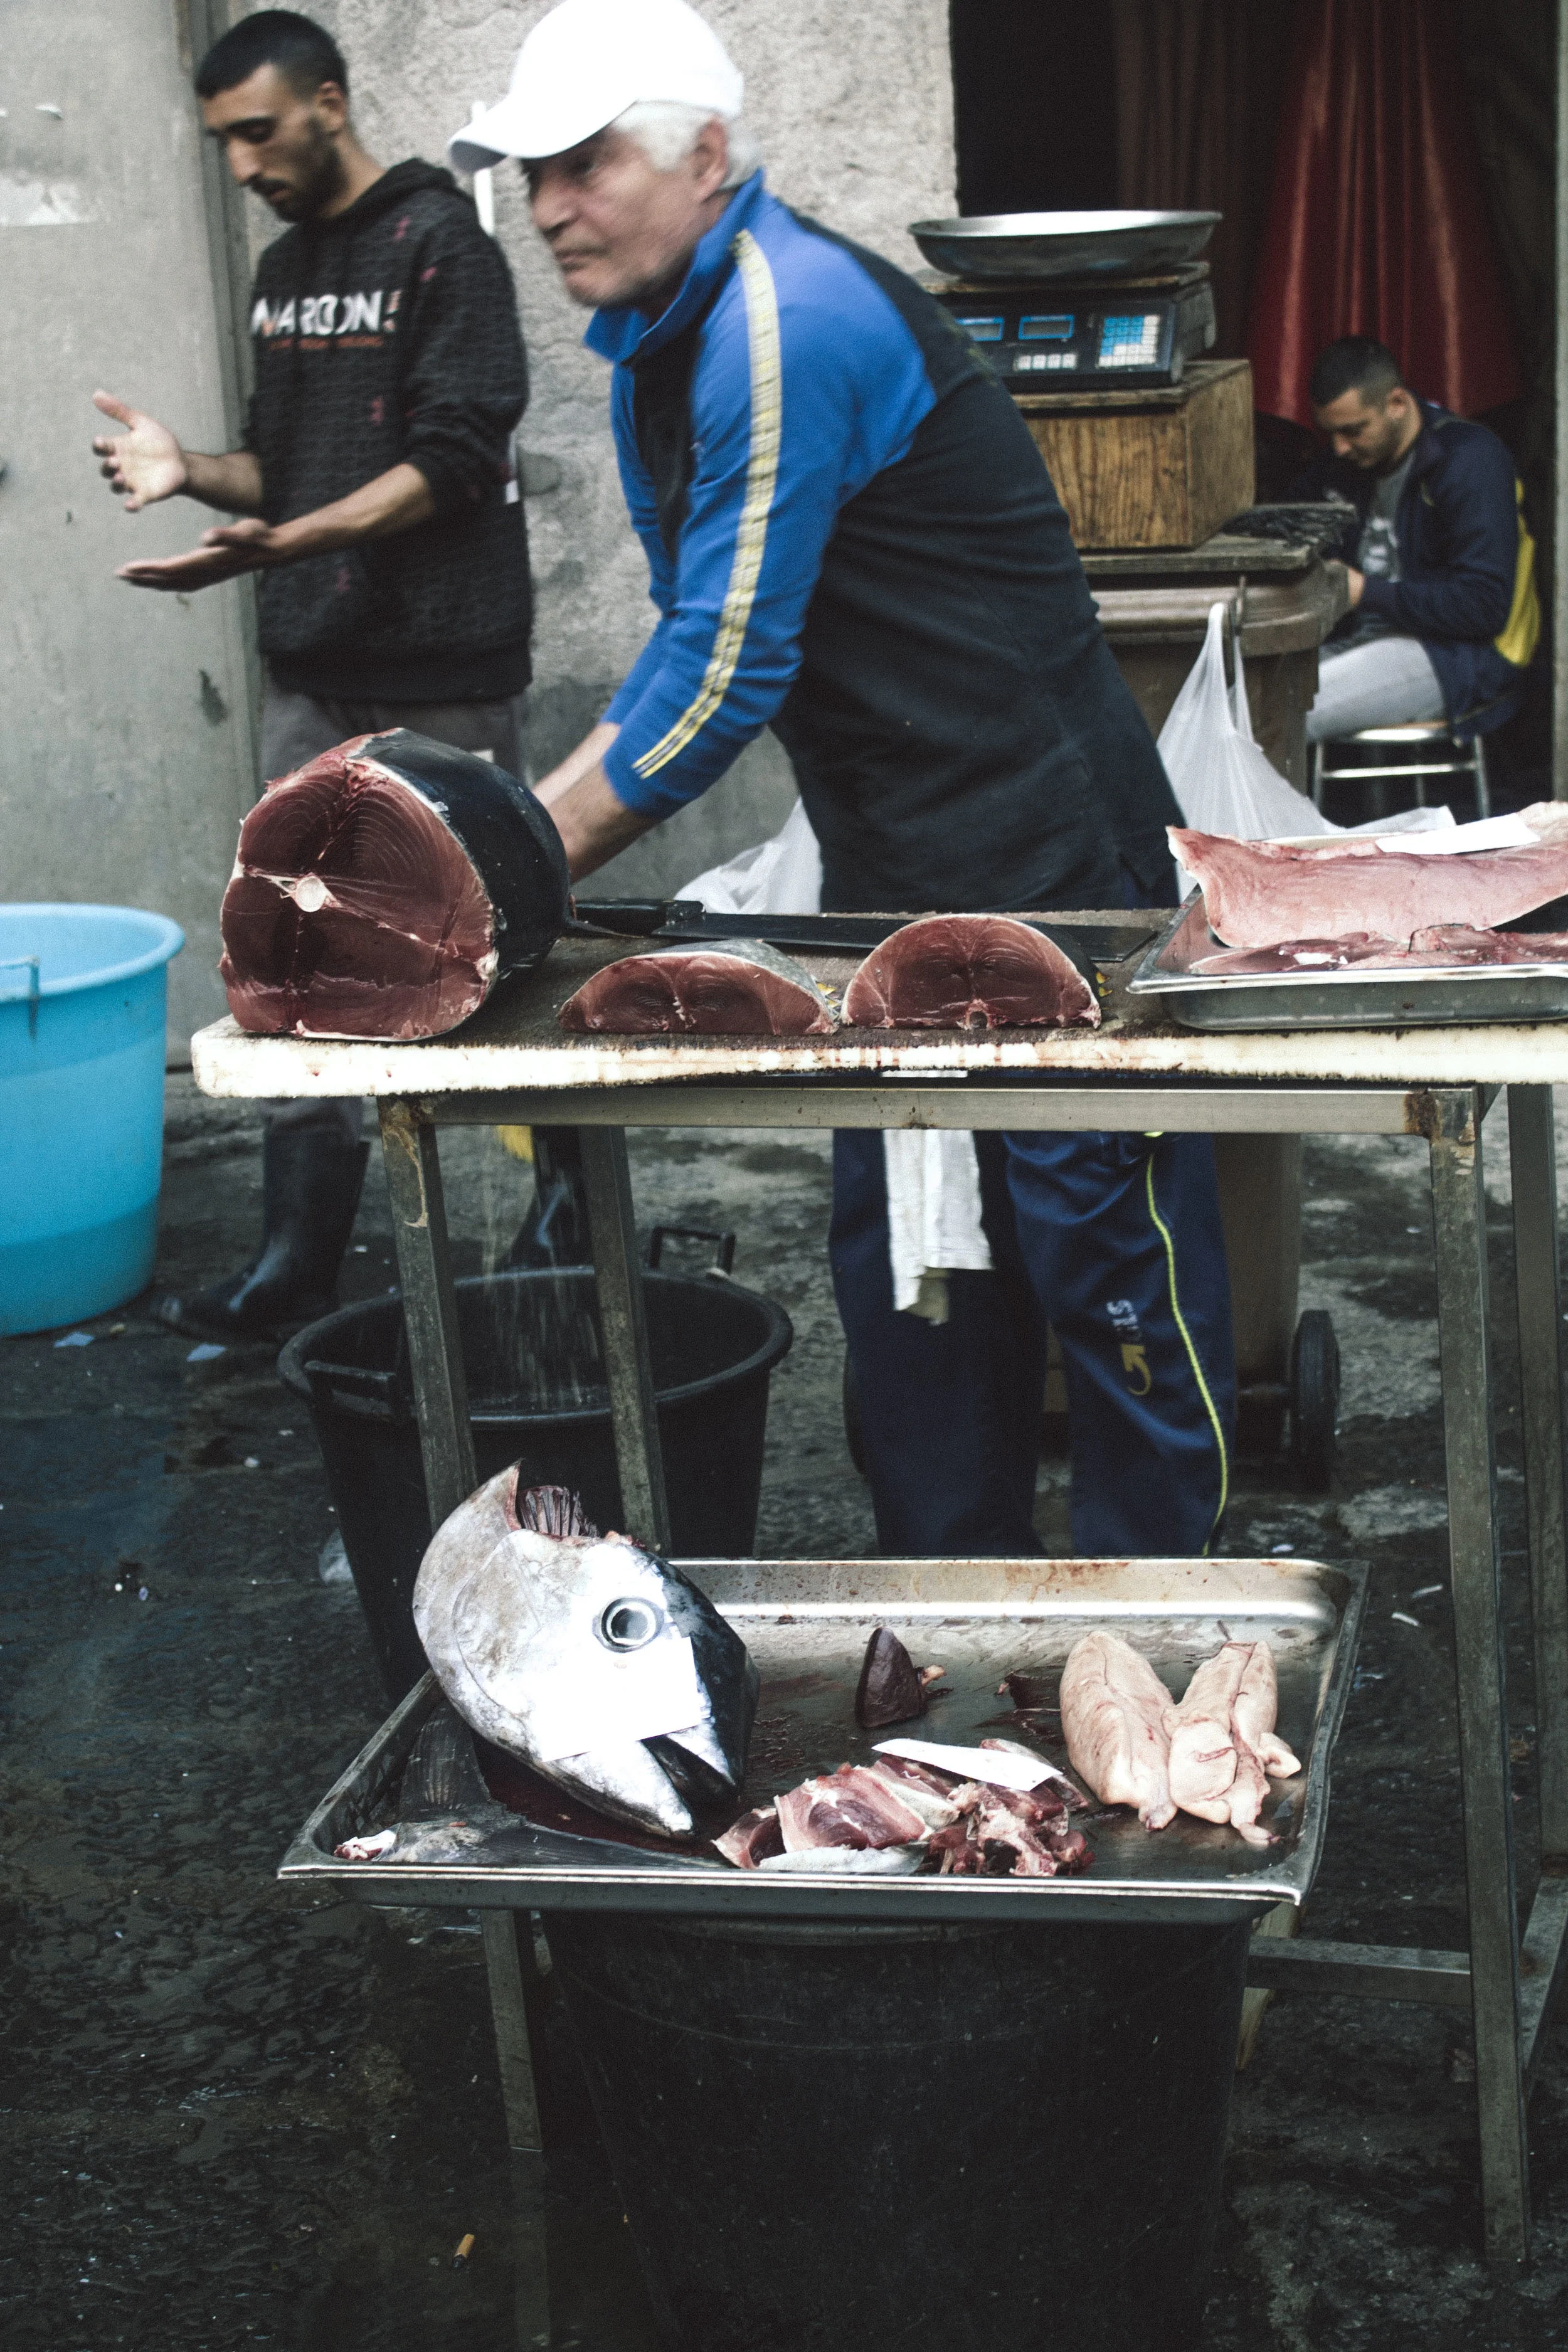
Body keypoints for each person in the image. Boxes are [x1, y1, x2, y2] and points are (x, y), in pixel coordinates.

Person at [452, 0, 1235, 1559]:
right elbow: (696, 641)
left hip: (1053, 861)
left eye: (584, 162)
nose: (546, 207)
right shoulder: (650, 355)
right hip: (886, 886)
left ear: (709, 155)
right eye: (532, 171)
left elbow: (722, 678)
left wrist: (492, 878)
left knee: (1103, 1266)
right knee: (915, 1287)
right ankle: (954, 1672)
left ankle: (1181, 1631)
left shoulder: (787, 318)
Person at [93, 9, 534, 1340]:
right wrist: (195, 475)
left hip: (441, 667)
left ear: (328, 104)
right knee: (293, 954)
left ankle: (549, 1231)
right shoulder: (283, 271)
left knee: (484, 954)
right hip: (312, 668)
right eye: (220, 140)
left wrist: (290, 535)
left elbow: (456, 455)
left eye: (258, 131)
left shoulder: (442, 245)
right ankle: (295, 1265)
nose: (239, 163)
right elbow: (288, 467)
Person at [1291, 336, 1539, 746]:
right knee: (1238, 699)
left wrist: (1365, 593)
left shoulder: (1470, 461)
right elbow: (1289, 515)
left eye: (1353, 431)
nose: (1339, 448)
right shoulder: (1347, 463)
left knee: (1281, 714)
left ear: (1398, 404)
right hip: (1365, 640)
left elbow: (1484, 608)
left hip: (1460, 656)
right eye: (1330, 434)